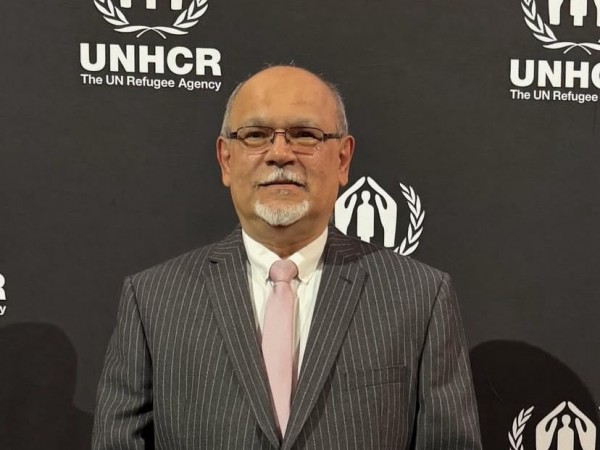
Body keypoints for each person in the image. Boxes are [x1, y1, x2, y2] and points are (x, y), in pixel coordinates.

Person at [92, 65, 482, 449]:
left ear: (342, 160)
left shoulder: (419, 296)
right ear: (226, 159)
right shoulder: (154, 299)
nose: (280, 153)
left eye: (305, 135)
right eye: (256, 135)